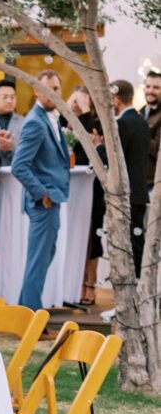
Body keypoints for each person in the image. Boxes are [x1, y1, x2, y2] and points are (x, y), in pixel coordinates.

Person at [12, 70, 70, 314]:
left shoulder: (51, 118)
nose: (54, 93)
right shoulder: (35, 121)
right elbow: (19, 166)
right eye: (49, 88)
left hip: (53, 198)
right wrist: (42, 193)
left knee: (44, 256)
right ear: (37, 90)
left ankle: (25, 312)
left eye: (57, 88)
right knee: (38, 260)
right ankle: (31, 317)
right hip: (43, 202)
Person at [63, 87, 104, 306]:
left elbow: (95, 148)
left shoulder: (95, 123)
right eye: (74, 101)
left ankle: (89, 284)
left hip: (92, 186)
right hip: (69, 187)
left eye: (81, 102)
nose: (77, 105)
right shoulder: (63, 122)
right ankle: (71, 282)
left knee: (91, 237)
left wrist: (87, 113)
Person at [111, 79, 150, 278]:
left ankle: (130, 294)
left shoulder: (123, 124)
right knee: (137, 242)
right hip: (140, 192)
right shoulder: (141, 121)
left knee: (127, 246)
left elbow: (116, 159)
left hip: (127, 195)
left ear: (116, 99)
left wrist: (100, 146)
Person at [0, 79, 24, 166]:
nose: (9, 101)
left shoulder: (24, 122)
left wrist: (11, 148)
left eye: (12, 97)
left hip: (15, 173)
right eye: (5, 97)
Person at [139, 67, 161, 190]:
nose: (150, 91)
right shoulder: (141, 112)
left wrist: (139, 133)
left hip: (155, 183)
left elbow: (158, 148)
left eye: (156, 87)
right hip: (139, 181)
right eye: (148, 86)